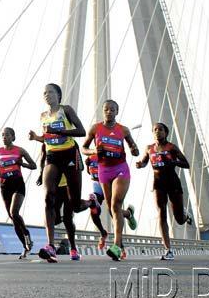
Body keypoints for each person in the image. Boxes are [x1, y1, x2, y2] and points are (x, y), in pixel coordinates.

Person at [28, 83, 89, 263]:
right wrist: (37, 138)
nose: (47, 95)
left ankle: (91, 202)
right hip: (53, 156)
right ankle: (50, 245)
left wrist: (60, 130)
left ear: (59, 95)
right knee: (48, 197)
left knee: (75, 205)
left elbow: (81, 131)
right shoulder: (43, 116)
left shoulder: (66, 110)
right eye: (44, 93)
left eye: (51, 92)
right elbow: (47, 139)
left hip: (70, 154)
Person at [81, 99, 139, 261]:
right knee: (111, 209)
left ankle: (116, 245)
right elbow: (83, 148)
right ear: (103, 111)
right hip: (103, 171)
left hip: (120, 169)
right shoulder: (95, 128)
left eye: (112, 109)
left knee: (115, 204)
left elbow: (134, 149)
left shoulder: (124, 130)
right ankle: (128, 214)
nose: (109, 112)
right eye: (106, 109)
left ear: (117, 112)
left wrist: (134, 150)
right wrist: (93, 150)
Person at [135, 123, 193, 261]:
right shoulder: (149, 149)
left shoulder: (171, 147)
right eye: (155, 130)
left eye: (160, 130)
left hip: (173, 183)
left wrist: (174, 162)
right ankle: (168, 249)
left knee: (179, 220)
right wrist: (140, 165)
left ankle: (185, 216)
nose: (157, 132)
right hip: (158, 185)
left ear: (166, 133)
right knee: (161, 214)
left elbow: (186, 164)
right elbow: (144, 162)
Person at [0, 127, 37, 259]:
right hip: (4, 186)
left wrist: (23, 164)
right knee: (13, 218)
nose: (4, 137)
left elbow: (34, 165)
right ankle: (25, 247)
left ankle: (26, 233)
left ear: (13, 137)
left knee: (14, 212)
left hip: (17, 184)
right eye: (3, 135)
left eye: (7, 135)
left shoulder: (20, 150)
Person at [85, 154, 109, 251]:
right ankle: (103, 233)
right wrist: (87, 165)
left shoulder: (109, 152)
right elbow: (89, 172)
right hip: (97, 187)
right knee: (93, 212)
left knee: (114, 212)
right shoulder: (91, 157)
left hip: (109, 186)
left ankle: (128, 213)